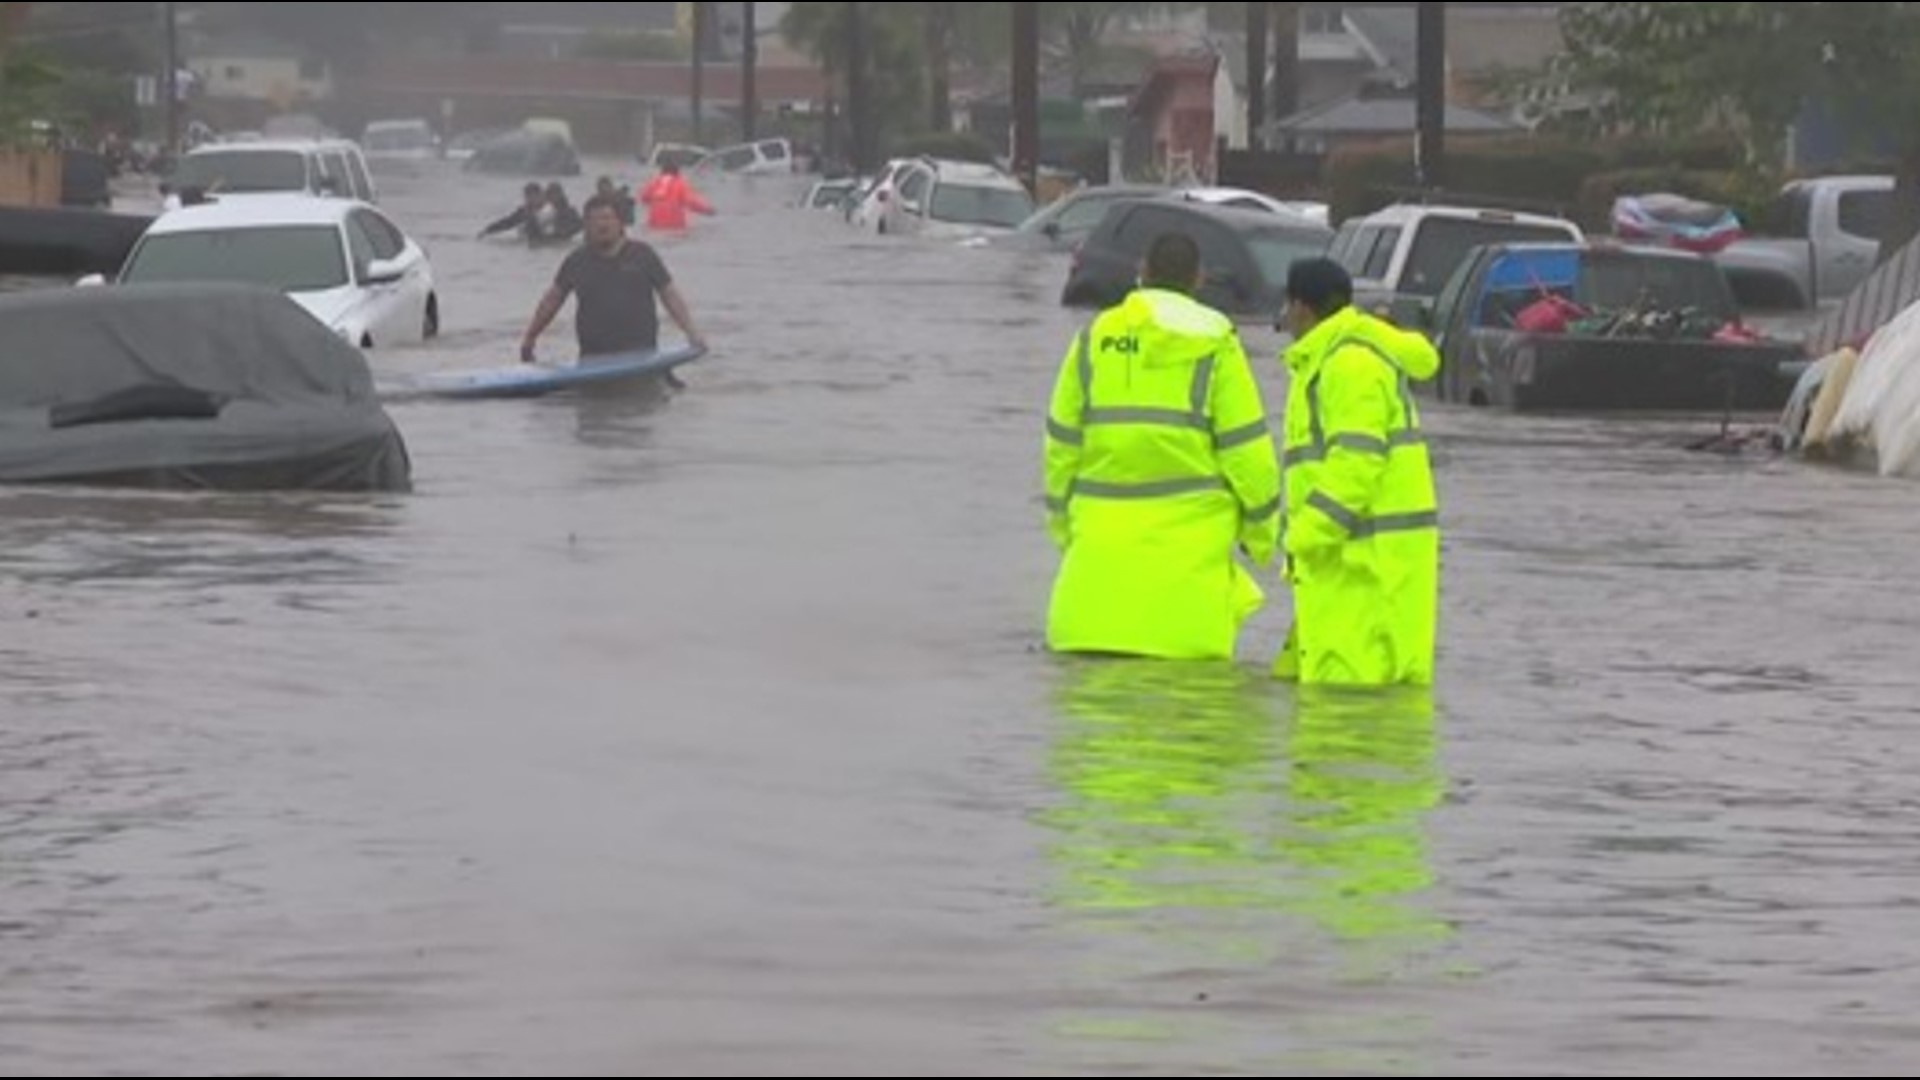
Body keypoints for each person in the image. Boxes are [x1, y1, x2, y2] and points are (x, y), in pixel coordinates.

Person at [1042, 232, 1281, 660]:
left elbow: (1060, 447)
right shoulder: (1218, 346)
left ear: (1143, 273)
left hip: (1087, 609)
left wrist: (1064, 530)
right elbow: (1248, 455)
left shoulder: (1095, 338)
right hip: (1187, 618)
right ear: (1198, 279)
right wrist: (1261, 536)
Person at [1274, 257, 1441, 686]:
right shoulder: (1333, 358)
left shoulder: (1349, 365)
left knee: (1347, 714)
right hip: (1351, 565)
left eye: (1288, 306)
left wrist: (1302, 537)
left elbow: (1357, 463)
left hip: (1366, 569)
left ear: (1302, 309)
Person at [519, 193, 706, 366]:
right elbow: (551, 301)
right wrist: (530, 338)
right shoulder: (576, 261)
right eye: (595, 220)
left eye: (608, 218)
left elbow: (670, 295)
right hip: (593, 358)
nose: (602, 225)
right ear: (586, 225)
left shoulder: (643, 255)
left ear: (620, 223)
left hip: (642, 355)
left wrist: (692, 332)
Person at [639, 161, 715, 231]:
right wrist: (707, 210)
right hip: (674, 222)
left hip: (654, 221)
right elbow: (691, 202)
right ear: (677, 172)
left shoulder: (654, 182)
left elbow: (644, 198)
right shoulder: (680, 183)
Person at [478, 182, 550, 243]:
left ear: (541, 195)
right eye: (527, 197)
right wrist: (487, 231)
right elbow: (507, 223)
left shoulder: (551, 209)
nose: (529, 200)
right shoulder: (524, 212)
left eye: (532, 197)